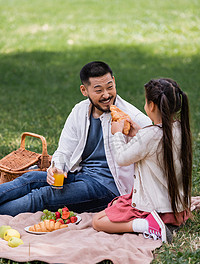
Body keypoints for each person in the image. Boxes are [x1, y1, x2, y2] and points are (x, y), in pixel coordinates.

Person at [0, 61, 151, 216]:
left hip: (109, 188)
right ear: (84, 90)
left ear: (114, 81)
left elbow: (158, 144)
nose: (106, 95)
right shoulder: (79, 111)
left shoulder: (132, 117)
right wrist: (57, 167)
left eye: (110, 87)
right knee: (30, 178)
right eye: (98, 90)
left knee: (42, 196)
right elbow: (64, 150)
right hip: (80, 174)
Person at [92, 78, 192, 243]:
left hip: (155, 208)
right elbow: (154, 146)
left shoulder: (150, 135)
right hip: (176, 208)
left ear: (151, 106)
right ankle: (153, 223)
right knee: (108, 210)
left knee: (98, 221)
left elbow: (122, 158)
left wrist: (117, 134)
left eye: (146, 102)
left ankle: (146, 225)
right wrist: (138, 133)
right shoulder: (180, 128)